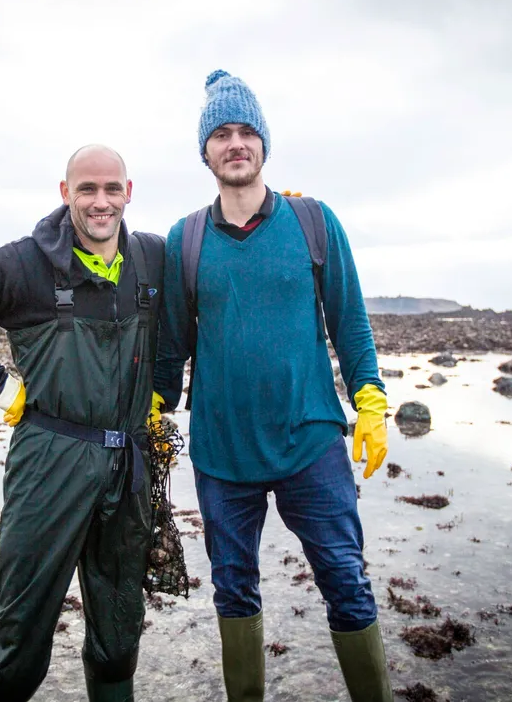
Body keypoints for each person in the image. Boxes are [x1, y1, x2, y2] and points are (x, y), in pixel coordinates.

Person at [154, 70, 393, 702]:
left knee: (345, 578)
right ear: (204, 151)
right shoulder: (187, 239)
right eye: (222, 134)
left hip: (310, 439)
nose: (236, 143)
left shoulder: (313, 221)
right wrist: (154, 409)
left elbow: (350, 321)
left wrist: (370, 399)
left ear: (264, 144)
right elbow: (172, 345)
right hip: (222, 450)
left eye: (247, 132)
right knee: (233, 587)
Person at [0, 144, 165, 702]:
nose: (100, 202)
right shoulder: (24, 264)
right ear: (65, 194)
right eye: (87, 189)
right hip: (49, 462)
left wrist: (271, 209)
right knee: (23, 633)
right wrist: (0, 385)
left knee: (119, 632)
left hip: (127, 466)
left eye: (111, 189)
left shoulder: (153, 258)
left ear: (129, 193)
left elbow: (215, 255)